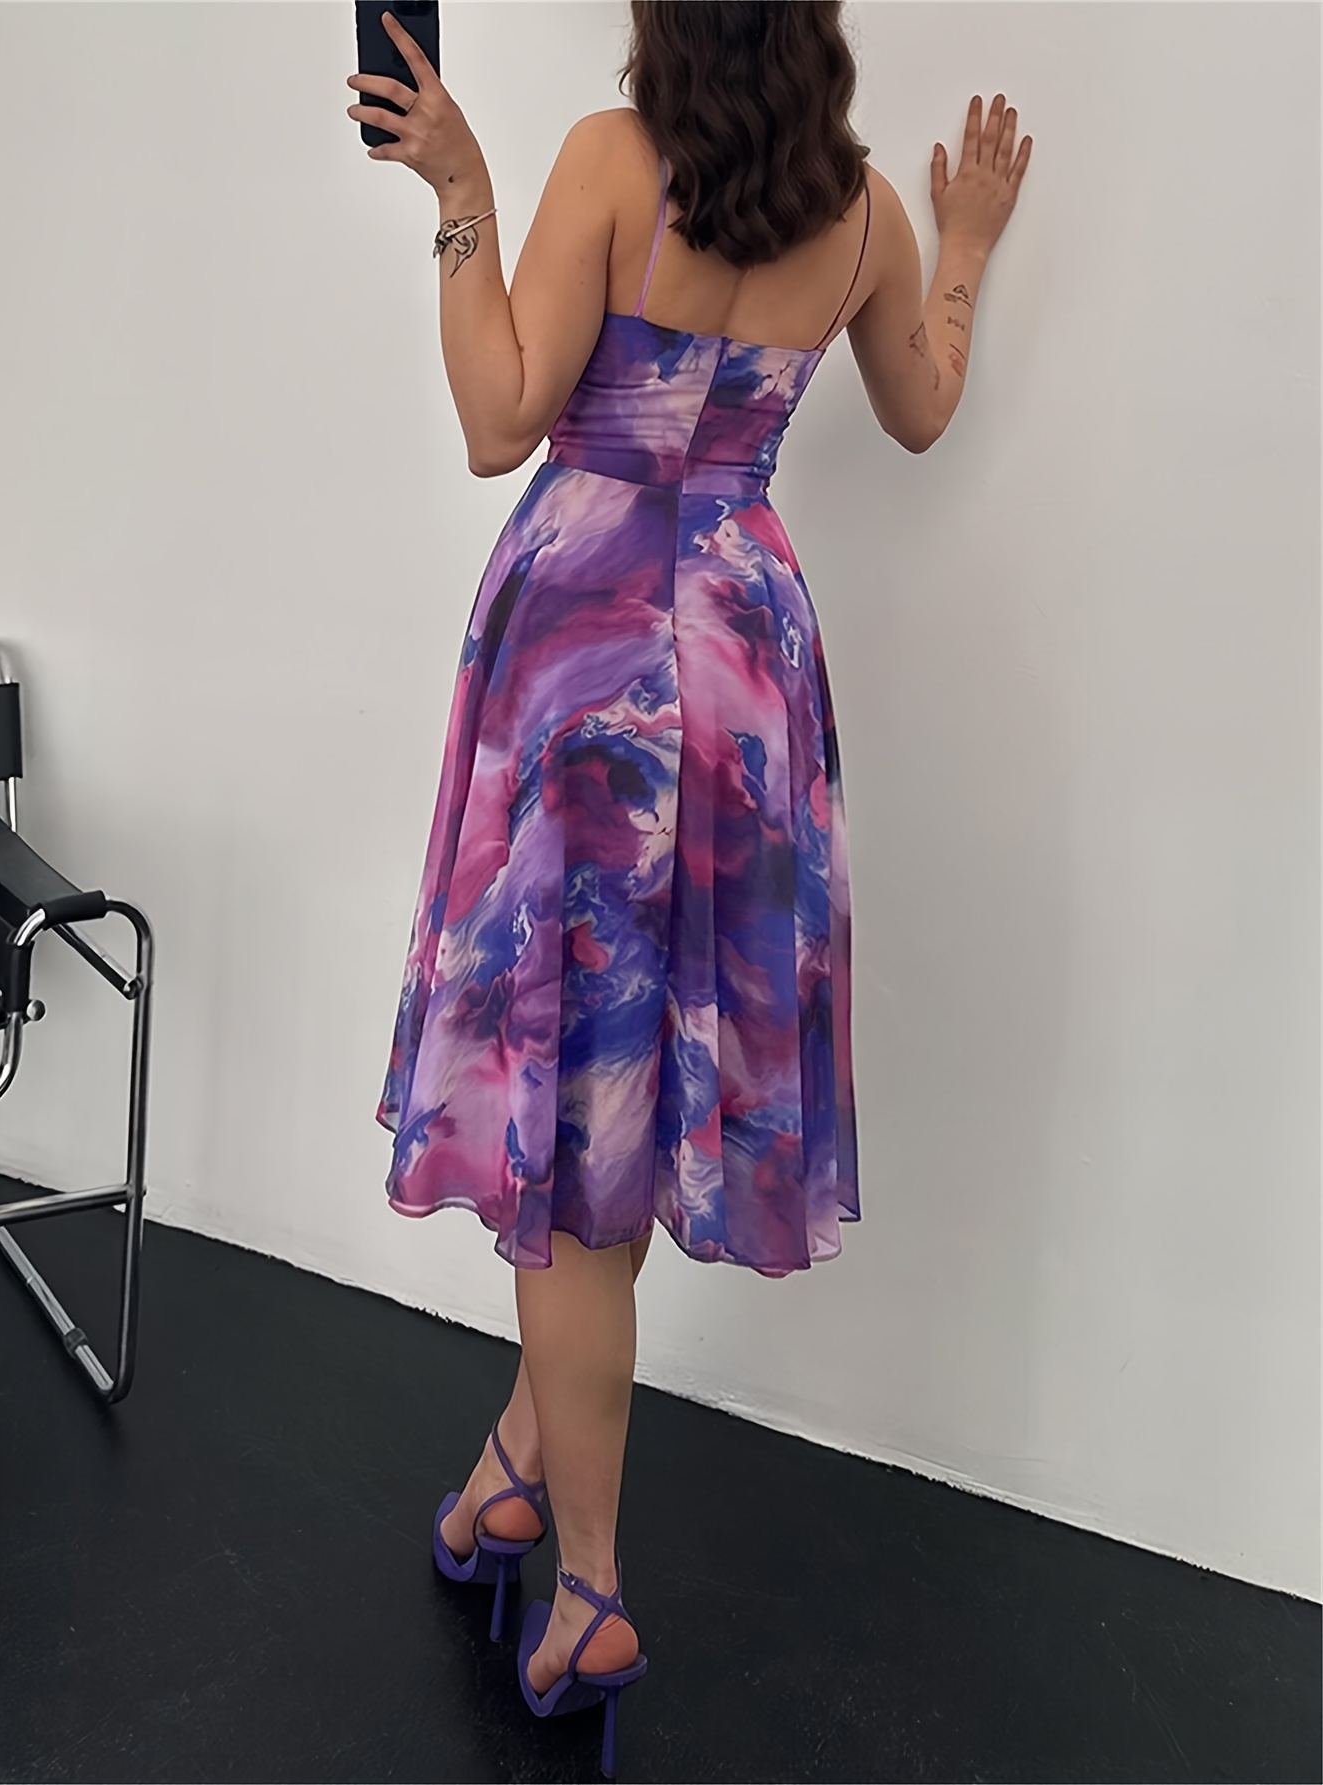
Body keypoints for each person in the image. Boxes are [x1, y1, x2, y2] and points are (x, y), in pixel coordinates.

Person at [350, 2, 1030, 1773]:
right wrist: (964, 248)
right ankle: (510, 1480)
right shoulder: (864, 214)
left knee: (577, 1124)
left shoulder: (607, 161)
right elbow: (923, 406)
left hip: (583, 661)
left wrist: (460, 193)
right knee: (627, 1102)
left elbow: (499, 419)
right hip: (738, 658)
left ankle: (588, 1588)